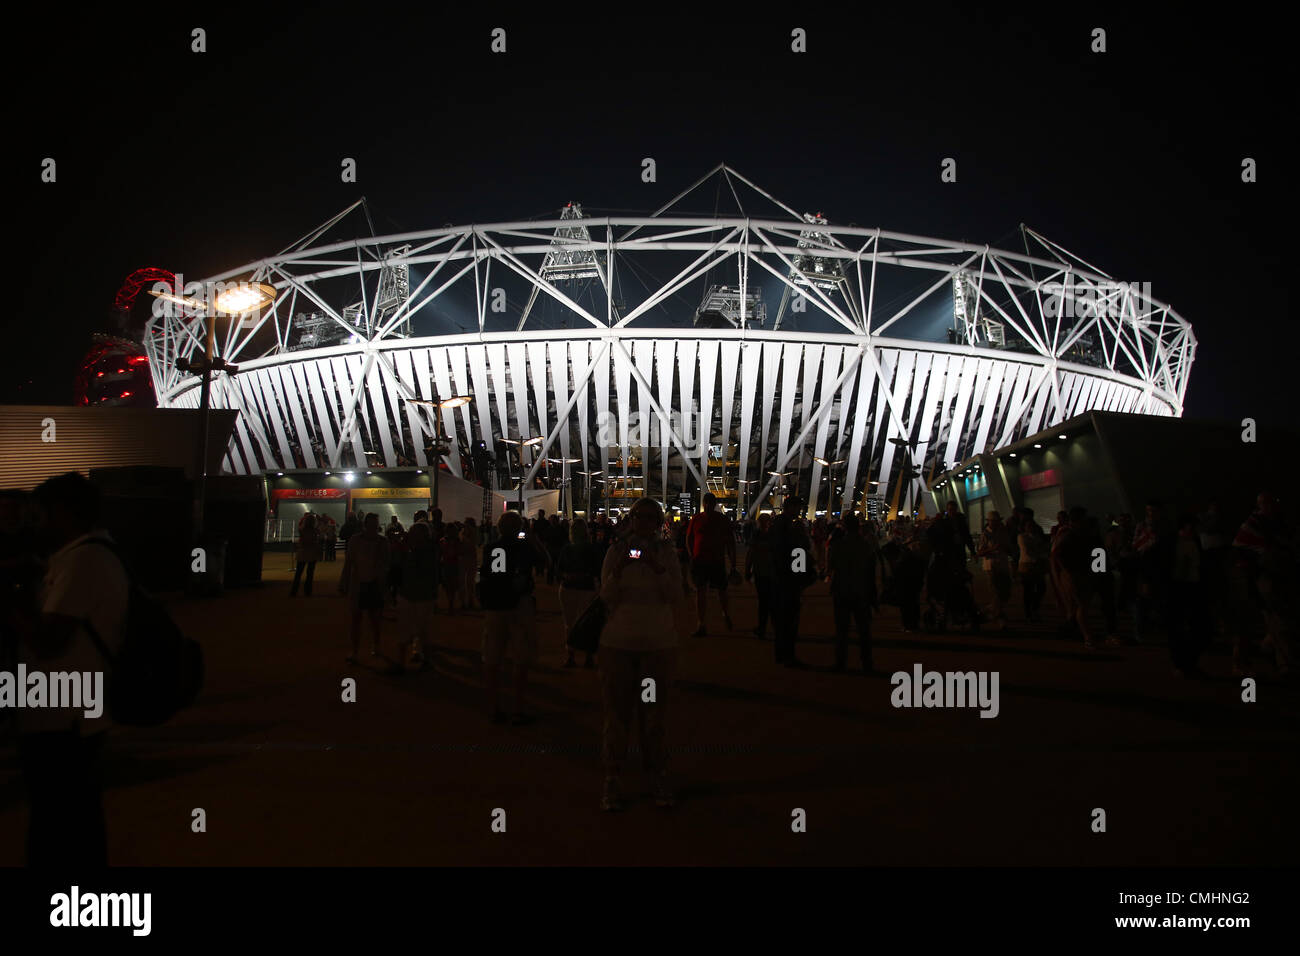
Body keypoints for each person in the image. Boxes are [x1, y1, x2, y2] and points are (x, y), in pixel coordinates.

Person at [16, 473, 128, 867]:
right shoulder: (87, 554)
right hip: (70, 716)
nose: (35, 523)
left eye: (40, 513)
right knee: (74, 822)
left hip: (66, 720)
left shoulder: (85, 559)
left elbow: (49, 642)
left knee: (58, 826)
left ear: (63, 512)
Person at [598, 497, 685, 810]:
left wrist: (656, 566)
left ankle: (657, 774)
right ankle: (613, 778)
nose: (644, 523)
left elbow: (676, 595)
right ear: (630, 520)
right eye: (639, 517)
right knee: (617, 715)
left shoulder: (667, 555)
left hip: (656, 647)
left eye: (651, 517)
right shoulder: (615, 552)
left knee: (653, 716)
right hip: (618, 645)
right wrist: (620, 568)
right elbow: (605, 596)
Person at [479, 512, 547, 724]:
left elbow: (489, 576)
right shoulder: (523, 547)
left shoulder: (491, 548)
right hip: (519, 604)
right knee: (521, 658)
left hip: (496, 605)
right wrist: (531, 537)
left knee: (493, 658)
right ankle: (517, 708)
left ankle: (493, 706)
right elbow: (544, 562)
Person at [826, 512, 882, 672]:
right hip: (861, 590)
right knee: (864, 630)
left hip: (842, 590)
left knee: (842, 629)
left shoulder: (839, 545)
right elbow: (871, 572)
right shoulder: (866, 546)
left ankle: (840, 662)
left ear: (844, 527)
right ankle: (867, 662)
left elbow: (831, 567)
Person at [339, 513, 390, 666]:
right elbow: (348, 563)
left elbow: (386, 564)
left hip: (373, 584)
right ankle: (356, 650)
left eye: (375, 525)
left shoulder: (382, 542)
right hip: (359, 584)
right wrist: (344, 582)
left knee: (374, 619)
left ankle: (375, 645)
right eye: (370, 524)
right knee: (357, 619)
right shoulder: (358, 540)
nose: (372, 528)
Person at [770, 496, 813, 667]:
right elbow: (799, 551)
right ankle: (788, 655)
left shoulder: (778, 524)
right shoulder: (791, 526)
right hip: (788, 579)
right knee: (789, 620)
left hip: (779, 577)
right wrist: (800, 577)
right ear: (791, 507)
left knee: (781, 620)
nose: (800, 510)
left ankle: (781, 654)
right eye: (798, 507)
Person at [686, 492, 736, 635]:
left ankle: (725, 613)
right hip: (700, 561)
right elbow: (689, 539)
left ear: (714, 504)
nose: (707, 505)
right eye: (706, 502)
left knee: (722, 591)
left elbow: (730, 543)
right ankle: (701, 623)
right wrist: (691, 556)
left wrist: (733, 563)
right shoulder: (696, 519)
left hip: (717, 561)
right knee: (700, 592)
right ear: (703, 504)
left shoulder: (722, 520)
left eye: (710, 503)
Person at [557, 519, 600, 668]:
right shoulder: (591, 548)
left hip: (568, 586)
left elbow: (559, 568)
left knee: (569, 623)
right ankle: (588, 657)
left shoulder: (567, 549)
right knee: (587, 623)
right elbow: (596, 569)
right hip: (586, 587)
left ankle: (571, 655)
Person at [397, 522, 438, 670]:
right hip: (416, 594)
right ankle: (420, 660)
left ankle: (407, 661)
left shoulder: (422, 551)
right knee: (418, 629)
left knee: (418, 629)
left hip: (417, 594)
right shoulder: (422, 550)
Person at [975, 511, 1012, 629]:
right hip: (991, 566)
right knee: (996, 592)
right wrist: (992, 549)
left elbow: (1008, 547)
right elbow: (980, 552)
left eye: (997, 521)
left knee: (1005, 593)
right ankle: (1000, 618)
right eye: (994, 521)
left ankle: (989, 610)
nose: (996, 523)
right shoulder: (985, 534)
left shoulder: (1003, 532)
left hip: (1003, 565)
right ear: (989, 522)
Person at [744, 513, 777, 639]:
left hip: (761, 571)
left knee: (763, 602)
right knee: (773, 601)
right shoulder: (775, 535)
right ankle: (775, 628)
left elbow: (751, 553)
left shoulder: (757, 534)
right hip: (772, 572)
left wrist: (747, 570)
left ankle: (762, 628)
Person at [1016, 508, 1049, 623]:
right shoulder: (1022, 537)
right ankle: (1029, 612)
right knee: (1028, 590)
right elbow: (1027, 551)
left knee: (1041, 588)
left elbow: (1044, 547)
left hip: (1037, 565)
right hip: (1027, 565)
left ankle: (1034, 609)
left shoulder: (1037, 534)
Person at [290, 513, 322, 597]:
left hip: (302, 552)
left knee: (298, 573)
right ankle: (308, 591)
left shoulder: (302, 530)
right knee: (310, 573)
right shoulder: (315, 531)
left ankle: (294, 591)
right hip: (312, 553)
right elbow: (318, 538)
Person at [459, 521, 479, 611]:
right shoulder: (467, 536)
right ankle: (467, 602)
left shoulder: (463, 536)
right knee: (467, 583)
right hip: (468, 560)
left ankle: (467, 602)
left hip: (466, 560)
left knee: (468, 583)